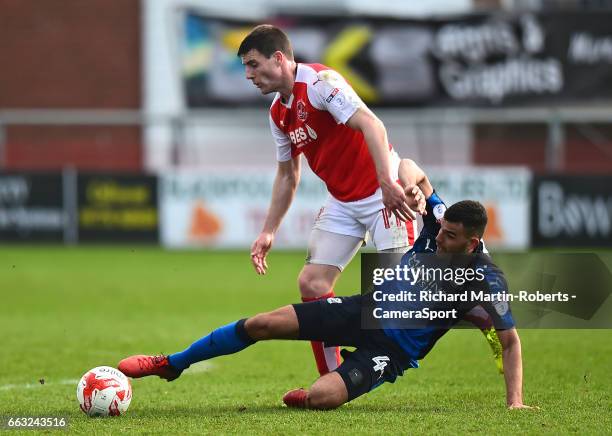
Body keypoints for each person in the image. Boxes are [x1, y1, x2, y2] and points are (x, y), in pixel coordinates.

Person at [118, 200, 534, 410]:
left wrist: (514, 401)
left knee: (322, 399)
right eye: (441, 230)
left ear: (472, 243)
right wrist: (406, 184)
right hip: (360, 310)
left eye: (450, 236)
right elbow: (410, 167)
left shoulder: (487, 280)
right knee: (262, 323)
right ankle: (172, 363)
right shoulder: (436, 220)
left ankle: (317, 389)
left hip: (390, 352)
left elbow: (510, 342)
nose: (439, 237)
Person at [238, 24, 419, 375]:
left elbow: (372, 125)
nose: (249, 75)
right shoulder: (278, 113)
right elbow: (288, 175)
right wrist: (269, 230)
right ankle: (333, 378)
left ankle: (480, 311)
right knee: (311, 283)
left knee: (399, 301)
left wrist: (386, 182)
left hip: (385, 196)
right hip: (343, 203)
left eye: (253, 64)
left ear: (278, 58)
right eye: (246, 67)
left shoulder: (320, 83)